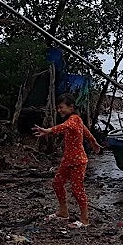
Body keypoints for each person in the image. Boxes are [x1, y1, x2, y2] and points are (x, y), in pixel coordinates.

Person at [33, 93, 101, 228]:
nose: (59, 110)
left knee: (77, 190)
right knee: (57, 183)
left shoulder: (74, 119)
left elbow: (63, 127)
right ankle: (64, 212)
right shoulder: (77, 121)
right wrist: (94, 142)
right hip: (68, 160)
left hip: (78, 161)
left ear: (71, 107)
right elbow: (86, 132)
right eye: (58, 108)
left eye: (61, 107)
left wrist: (48, 130)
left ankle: (85, 219)